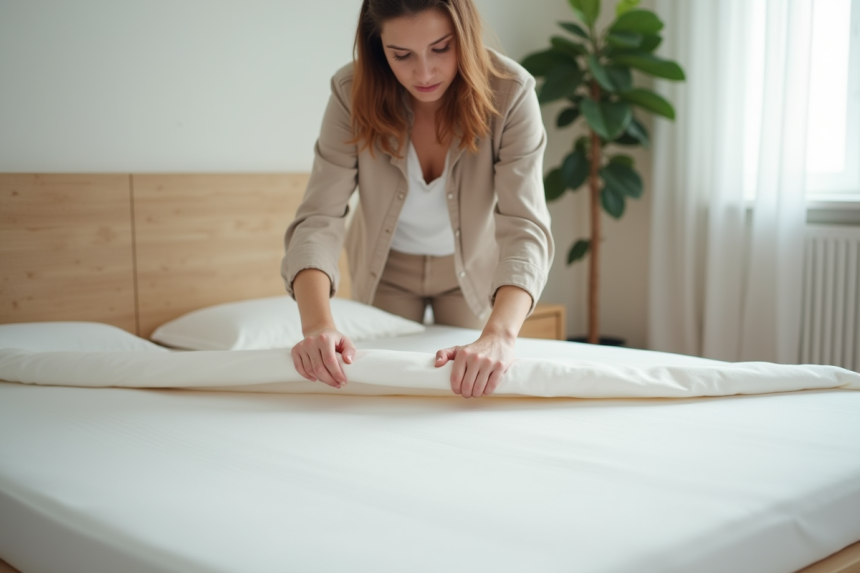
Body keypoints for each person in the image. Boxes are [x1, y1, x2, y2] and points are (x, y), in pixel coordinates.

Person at [281, 0, 553, 398]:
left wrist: (500, 334)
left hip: (473, 269)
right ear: (378, 48)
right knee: (389, 390)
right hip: (386, 268)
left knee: (472, 385)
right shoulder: (350, 91)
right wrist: (317, 326)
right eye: (401, 55)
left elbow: (525, 225)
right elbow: (319, 218)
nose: (423, 72)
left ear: (465, 36)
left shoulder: (511, 92)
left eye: (441, 48)